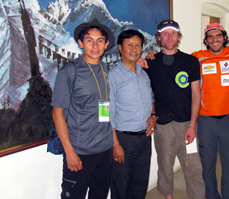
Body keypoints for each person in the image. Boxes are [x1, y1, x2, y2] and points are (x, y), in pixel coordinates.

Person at [51, 18, 114, 199]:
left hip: (105, 150)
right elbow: (57, 114)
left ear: (106, 44)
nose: (95, 46)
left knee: (99, 195)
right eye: (89, 40)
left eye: (99, 40)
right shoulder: (70, 71)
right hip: (80, 151)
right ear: (80, 43)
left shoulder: (106, 70)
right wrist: (69, 152)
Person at [145, 19, 205, 199]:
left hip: (187, 124)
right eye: (165, 33)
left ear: (178, 36)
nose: (169, 37)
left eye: (173, 33)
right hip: (163, 127)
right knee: (165, 168)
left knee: (194, 168)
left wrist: (192, 126)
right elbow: (147, 93)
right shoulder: (151, 62)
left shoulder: (190, 61)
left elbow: (196, 95)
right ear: (159, 37)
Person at [192, 23, 229, 199]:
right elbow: (176, 62)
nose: (214, 40)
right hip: (205, 121)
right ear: (206, 40)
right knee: (207, 164)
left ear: (224, 37)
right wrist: (152, 54)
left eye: (218, 36)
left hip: (228, 120)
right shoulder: (197, 57)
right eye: (210, 36)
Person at [108, 29, 156, 199]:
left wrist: (153, 115)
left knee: (140, 185)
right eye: (129, 45)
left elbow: (151, 100)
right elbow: (105, 114)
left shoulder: (144, 74)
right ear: (120, 48)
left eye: (137, 45)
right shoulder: (112, 77)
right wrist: (115, 145)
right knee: (121, 188)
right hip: (123, 140)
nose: (134, 49)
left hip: (144, 138)